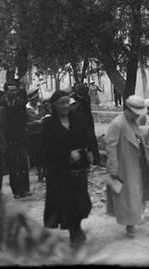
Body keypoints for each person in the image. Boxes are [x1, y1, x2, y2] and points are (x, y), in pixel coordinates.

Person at [105, 95, 149, 238]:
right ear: (128, 110)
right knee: (127, 196)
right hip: (123, 166)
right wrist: (113, 168)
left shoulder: (133, 123)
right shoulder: (117, 124)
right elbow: (111, 146)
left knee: (136, 194)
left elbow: (137, 137)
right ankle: (129, 225)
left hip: (135, 164)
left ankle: (132, 221)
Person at [42, 90, 93, 248]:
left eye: (67, 102)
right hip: (60, 171)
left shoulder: (76, 119)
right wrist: (67, 154)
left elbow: (87, 136)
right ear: (54, 106)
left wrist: (88, 152)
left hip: (78, 168)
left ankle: (75, 226)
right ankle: (74, 230)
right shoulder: (49, 124)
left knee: (81, 201)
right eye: (61, 103)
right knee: (67, 202)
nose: (65, 106)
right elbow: (47, 148)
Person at [3, 83, 31, 198]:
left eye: (15, 90)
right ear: (6, 92)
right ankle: (16, 190)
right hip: (8, 139)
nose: (13, 93)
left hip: (20, 138)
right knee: (13, 165)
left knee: (23, 162)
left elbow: (24, 119)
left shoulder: (20, 103)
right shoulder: (1, 105)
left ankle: (25, 188)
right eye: (11, 91)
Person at [70, 84, 100, 166]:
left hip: (88, 121)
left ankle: (97, 160)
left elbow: (88, 110)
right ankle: (84, 162)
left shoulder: (87, 97)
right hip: (78, 123)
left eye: (85, 91)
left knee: (92, 141)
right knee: (82, 143)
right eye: (82, 91)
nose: (84, 93)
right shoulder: (73, 99)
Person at [26, 89, 48, 182]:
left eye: (37, 98)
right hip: (33, 135)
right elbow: (25, 123)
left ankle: (45, 172)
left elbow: (46, 115)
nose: (36, 100)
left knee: (45, 153)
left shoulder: (41, 106)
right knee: (37, 154)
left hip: (43, 133)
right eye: (34, 99)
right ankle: (39, 172)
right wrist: (35, 123)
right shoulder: (26, 109)